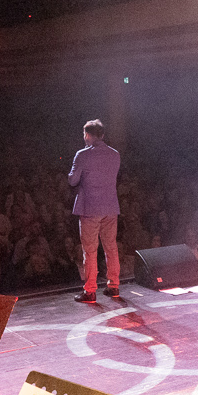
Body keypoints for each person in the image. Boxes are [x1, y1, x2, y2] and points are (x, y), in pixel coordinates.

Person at [68, 118, 122, 302]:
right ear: (103, 135)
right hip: (110, 207)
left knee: (90, 250)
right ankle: (113, 286)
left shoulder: (82, 155)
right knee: (111, 247)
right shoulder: (115, 154)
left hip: (90, 208)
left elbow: (73, 181)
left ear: (87, 135)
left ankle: (90, 290)